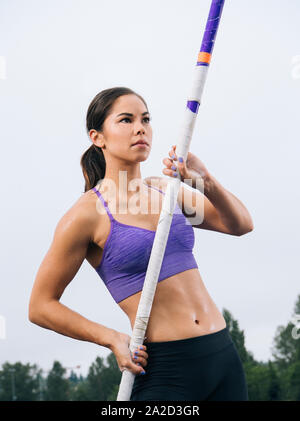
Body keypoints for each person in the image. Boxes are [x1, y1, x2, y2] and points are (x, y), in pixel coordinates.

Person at [28, 86, 253, 401]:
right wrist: (111, 339)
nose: (140, 128)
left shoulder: (166, 190)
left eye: (145, 119)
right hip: (167, 369)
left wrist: (204, 178)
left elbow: (240, 224)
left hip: (222, 356)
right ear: (97, 137)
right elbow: (40, 306)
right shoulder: (85, 215)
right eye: (126, 120)